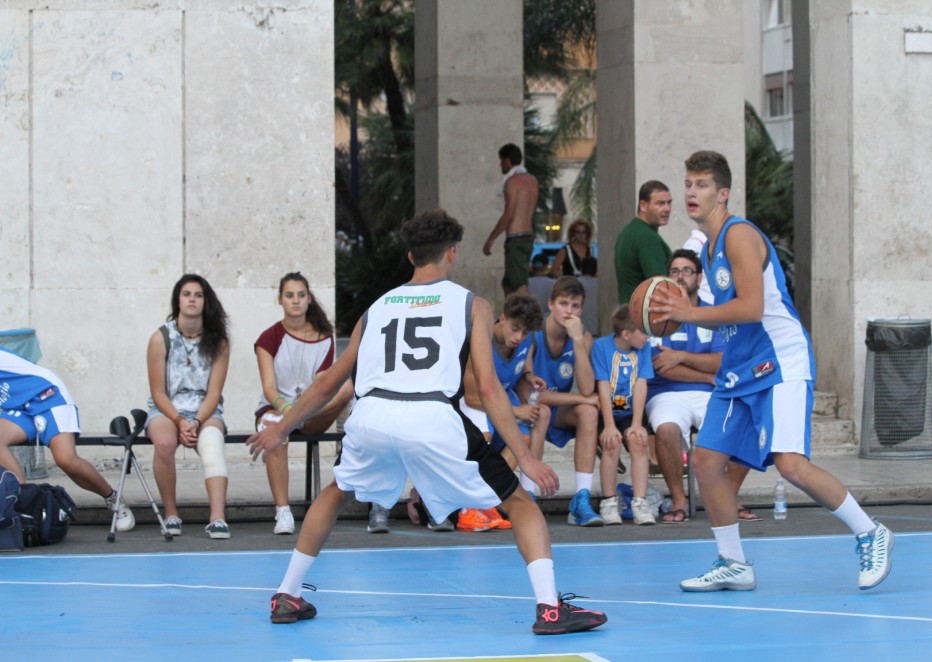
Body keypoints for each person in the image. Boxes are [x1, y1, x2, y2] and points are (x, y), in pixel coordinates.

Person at [249, 209, 607, 635]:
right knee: (519, 502)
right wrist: (526, 457)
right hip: (432, 416)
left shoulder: (377, 307)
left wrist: (281, 427)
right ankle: (549, 609)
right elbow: (488, 388)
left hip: (371, 416)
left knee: (338, 490)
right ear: (452, 252)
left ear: (410, 256)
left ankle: (286, 594)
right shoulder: (472, 304)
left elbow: (329, 382)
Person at [652, 151, 893, 591]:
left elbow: (751, 307)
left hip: (779, 361)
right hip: (740, 367)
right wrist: (681, 312)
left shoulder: (739, 235)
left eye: (702, 184)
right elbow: (728, 317)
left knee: (791, 465)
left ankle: (870, 531)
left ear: (723, 193)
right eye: (688, 183)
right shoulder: (707, 249)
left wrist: (688, 314)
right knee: (706, 461)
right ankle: (733, 562)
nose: (691, 192)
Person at [646, 249, 758, 524]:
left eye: (687, 271)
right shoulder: (654, 315)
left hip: (711, 393)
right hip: (666, 394)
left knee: (743, 421)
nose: (680, 276)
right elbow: (661, 365)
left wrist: (681, 356)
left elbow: (722, 362)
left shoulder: (713, 313)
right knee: (667, 429)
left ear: (699, 277)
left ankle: (727, 497)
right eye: (675, 271)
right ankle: (679, 500)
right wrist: (704, 374)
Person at [254, 272, 354, 535]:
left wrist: (302, 411)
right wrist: (288, 410)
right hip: (276, 409)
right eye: (289, 295)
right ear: (280, 300)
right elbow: (269, 388)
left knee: (348, 388)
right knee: (275, 429)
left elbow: (323, 382)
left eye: (301, 295)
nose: (295, 300)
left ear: (309, 299)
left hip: (311, 413)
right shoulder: (268, 338)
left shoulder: (324, 335)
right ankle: (283, 511)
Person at [0, 347, 135, 531]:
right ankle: (23, 503)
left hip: (47, 396)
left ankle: (114, 500)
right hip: (19, 407)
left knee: (66, 460)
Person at [146, 274, 232, 540]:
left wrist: (195, 421)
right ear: (178, 300)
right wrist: (179, 421)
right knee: (164, 444)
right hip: (167, 409)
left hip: (205, 410)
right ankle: (171, 514)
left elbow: (214, 393)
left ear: (206, 301)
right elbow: (158, 393)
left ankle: (217, 518)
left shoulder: (219, 341)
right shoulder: (161, 338)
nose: (192, 299)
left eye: (198, 295)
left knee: (212, 445)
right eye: (186, 294)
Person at [458, 293, 547, 532]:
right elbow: (472, 397)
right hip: (476, 400)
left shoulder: (527, 340)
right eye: (515, 329)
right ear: (502, 318)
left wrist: (528, 375)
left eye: (525, 333)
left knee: (523, 440)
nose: (519, 337)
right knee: (482, 438)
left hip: (501, 397)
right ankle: (468, 508)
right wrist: (516, 411)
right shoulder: (480, 340)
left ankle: (488, 499)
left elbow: (521, 362)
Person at [525, 276, 603, 527]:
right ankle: (527, 497)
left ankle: (580, 500)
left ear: (581, 310)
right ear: (551, 304)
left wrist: (578, 341)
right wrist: (580, 398)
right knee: (542, 410)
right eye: (563, 303)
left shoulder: (583, 337)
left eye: (575, 306)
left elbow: (588, 387)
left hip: (558, 411)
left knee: (589, 412)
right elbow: (532, 395)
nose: (568, 311)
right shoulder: (532, 333)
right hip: (528, 409)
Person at [590, 306, 654, 525]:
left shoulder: (644, 348)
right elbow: (602, 385)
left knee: (638, 441)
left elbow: (641, 384)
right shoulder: (601, 347)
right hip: (606, 412)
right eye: (643, 331)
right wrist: (609, 425)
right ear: (626, 334)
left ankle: (640, 502)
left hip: (630, 412)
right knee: (612, 443)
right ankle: (608, 501)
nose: (647, 336)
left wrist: (637, 423)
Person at [483, 143, 539, 296]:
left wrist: (491, 239)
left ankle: (527, 311)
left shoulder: (512, 182)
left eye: (501, 161)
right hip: (528, 236)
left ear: (507, 161)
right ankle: (510, 311)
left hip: (516, 238)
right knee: (508, 285)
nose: (500, 165)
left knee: (519, 285)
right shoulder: (533, 181)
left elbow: (509, 215)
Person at [614, 180, 674, 304]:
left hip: (629, 311)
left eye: (669, 203)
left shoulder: (630, 231)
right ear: (643, 205)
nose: (667, 209)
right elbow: (660, 288)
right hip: (645, 313)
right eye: (660, 203)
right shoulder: (647, 237)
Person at [577, 256, 599, 337]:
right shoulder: (601, 284)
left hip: (578, 329)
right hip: (597, 329)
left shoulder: (574, 283)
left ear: (581, 269)